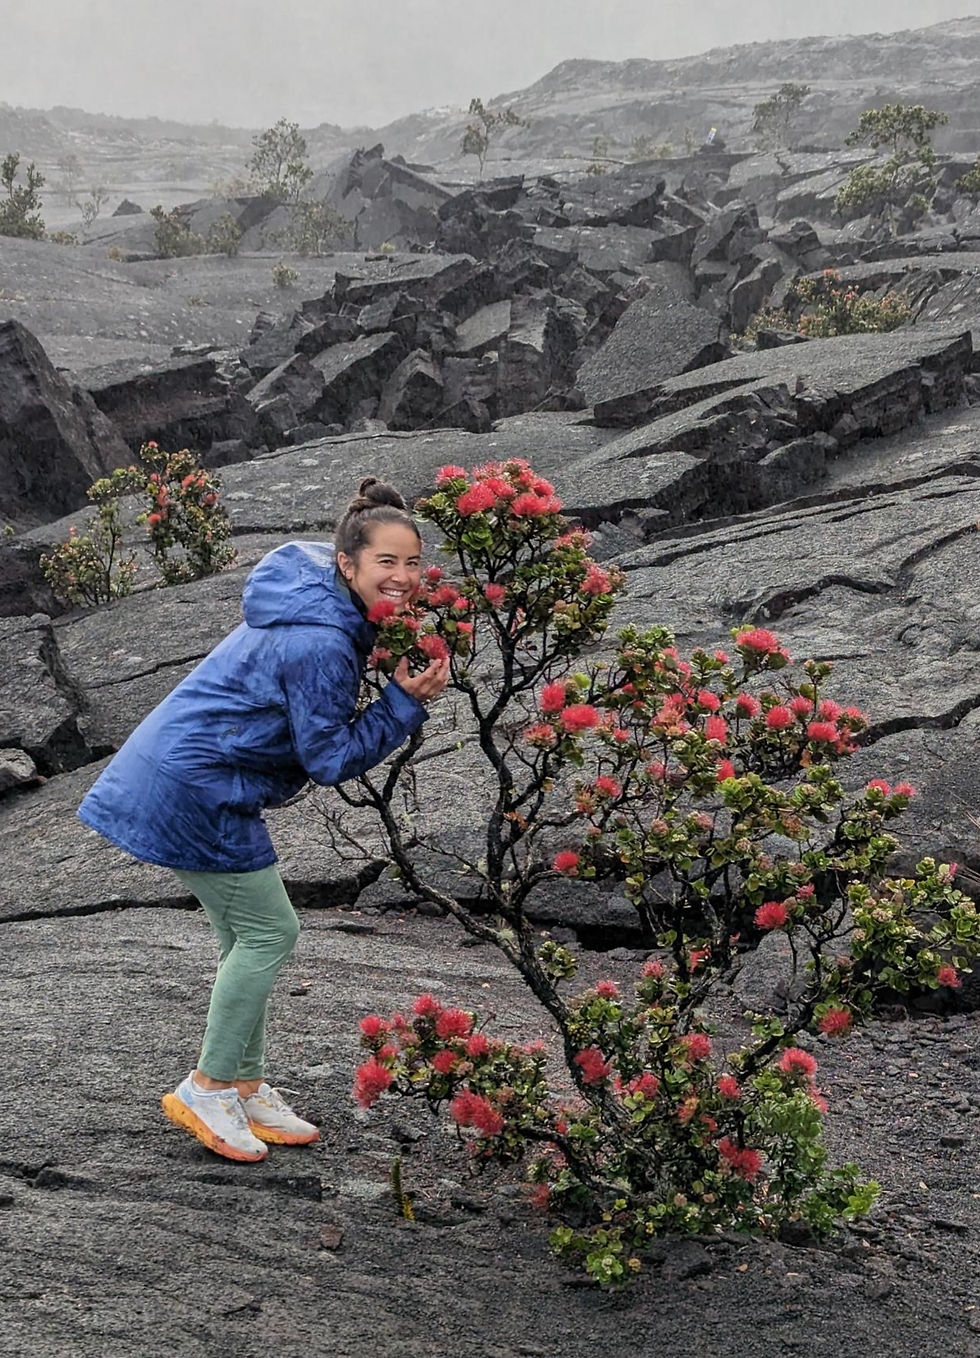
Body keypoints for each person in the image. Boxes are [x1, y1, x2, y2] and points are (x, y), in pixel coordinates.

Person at [78, 478, 450, 1163]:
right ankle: (209, 1087)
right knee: (270, 931)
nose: (401, 579)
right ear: (347, 564)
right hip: (198, 785)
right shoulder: (319, 642)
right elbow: (330, 756)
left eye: (411, 564)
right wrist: (401, 702)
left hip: (200, 772)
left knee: (244, 938)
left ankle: (243, 1086)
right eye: (385, 565)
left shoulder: (318, 594)